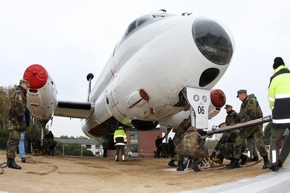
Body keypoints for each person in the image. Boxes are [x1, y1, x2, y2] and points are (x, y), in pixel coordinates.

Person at [227, 89, 270, 169]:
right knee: (238, 141)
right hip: (247, 126)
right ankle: (236, 161)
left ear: (243, 95)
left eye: (239, 96)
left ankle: (266, 161)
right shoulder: (243, 105)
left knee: (259, 142)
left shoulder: (252, 101)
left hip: (255, 125)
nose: (239, 98)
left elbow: (251, 115)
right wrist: (235, 122)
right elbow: (240, 116)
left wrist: (240, 123)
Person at [268, 57, 290, 171]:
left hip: (280, 114)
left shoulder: (274, 78)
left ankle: (274, 163)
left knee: (274, 140)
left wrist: (273, 109)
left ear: (274, 67)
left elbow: (271, 97)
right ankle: (281, 159)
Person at [6, 79, 30, 169]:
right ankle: (10, 161)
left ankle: (10, 160)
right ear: (23, 84)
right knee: (14, 140)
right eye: (27, 86)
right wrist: (22, 121)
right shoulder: (19, 94)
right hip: (15, 122)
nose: (27, 88)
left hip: (14, 121)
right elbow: (20, 108)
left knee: (13, 140)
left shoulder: (19, 93)